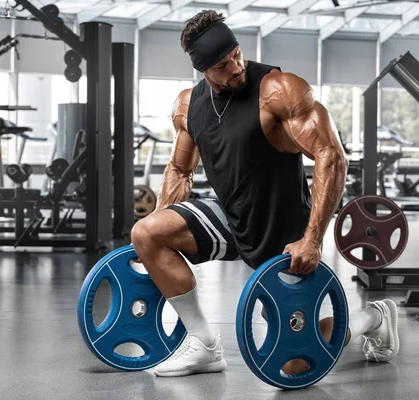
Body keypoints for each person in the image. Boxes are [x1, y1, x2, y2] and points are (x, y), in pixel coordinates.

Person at [131, 10, 400, 378]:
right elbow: (180, 169)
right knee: (147, 232)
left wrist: (311, 240)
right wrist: (159, 226)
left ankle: (373, 317)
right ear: (205, 70)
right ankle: (204, 345)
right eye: (223, 65)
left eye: (237, 54)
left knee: (294, 362)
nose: (236, 67)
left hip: (283, 228)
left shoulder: (279, 90)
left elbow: (331, 156)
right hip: (230, 216)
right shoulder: (188, 105)